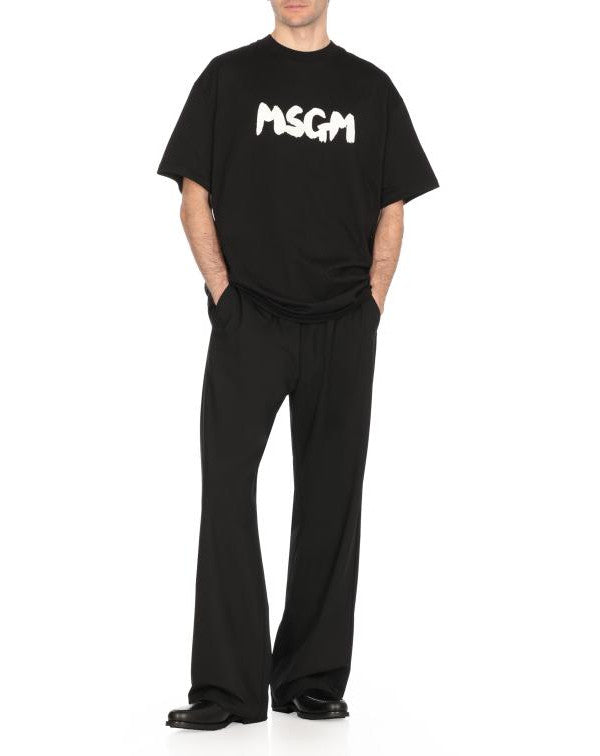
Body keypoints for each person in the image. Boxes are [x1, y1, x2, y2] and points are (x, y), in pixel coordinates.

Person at [157, 0, 438, 731]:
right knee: (226, 490)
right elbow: (193, 196)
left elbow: (394, 207)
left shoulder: (371, 89)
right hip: (250, 319)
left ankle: (310, 679)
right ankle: (226, 690)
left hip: (344, 323)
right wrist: (224, 295)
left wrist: (372, 303)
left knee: (331, 497)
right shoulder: (228, 78)